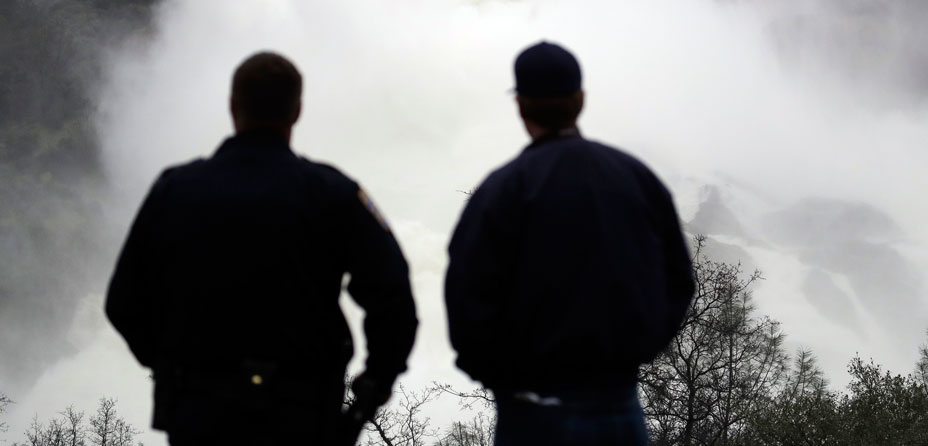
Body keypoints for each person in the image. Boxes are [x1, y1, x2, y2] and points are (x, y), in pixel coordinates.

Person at [106, 51, 418, 445]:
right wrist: (375, 384)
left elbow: (123, 301)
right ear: (297, 111)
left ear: (232, 106)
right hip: (301, 412)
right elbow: (393, 296)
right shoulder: (334, 193)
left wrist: (172, 364)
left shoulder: (175, 190)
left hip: (201, 411)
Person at [445, 41, 696, 446]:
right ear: (580, 100)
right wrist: (638, 351)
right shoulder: (636, 178)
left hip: (532, 414)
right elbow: (679, 280)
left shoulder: (502, 190)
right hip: (620, 409)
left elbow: (465, 297)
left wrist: (503, 379)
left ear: (521, 107)